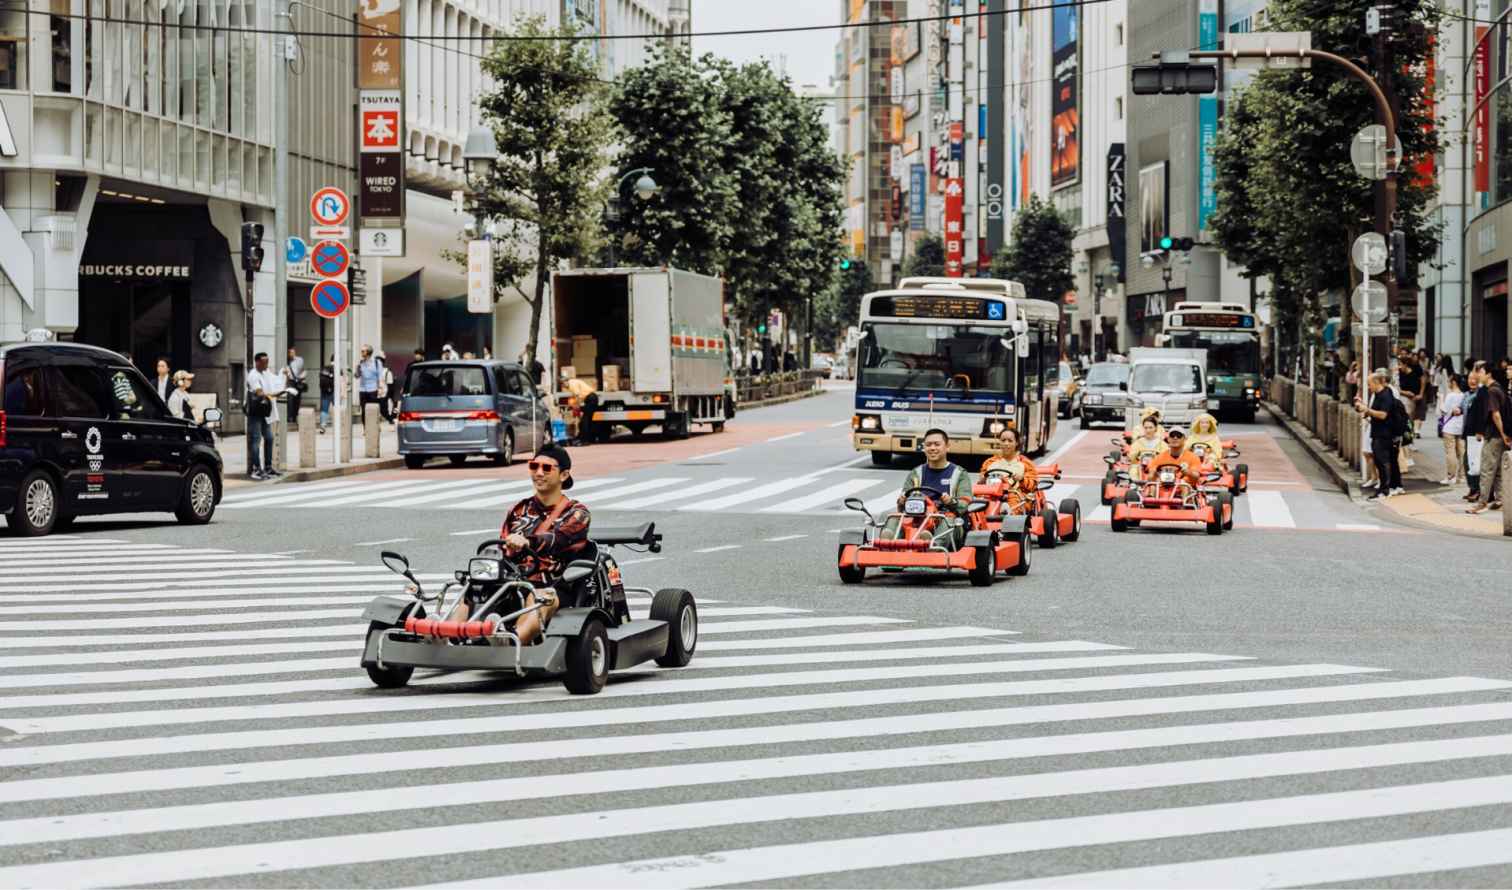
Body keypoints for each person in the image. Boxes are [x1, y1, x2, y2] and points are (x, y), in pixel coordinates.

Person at [445, 443, 591, 645]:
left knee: (539, 597)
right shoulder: (519, 509)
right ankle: (447, 636)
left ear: (564, 475)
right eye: (534, 466)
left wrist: (527, 541)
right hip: (514, 581)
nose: (539, 473)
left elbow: (559, 540)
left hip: (555, 584)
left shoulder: (577, 513)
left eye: (546, 468)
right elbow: (503, 546)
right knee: (473, 589)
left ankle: (511, 641)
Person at [888, 428, 973, 548]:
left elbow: (965, 503)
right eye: (928, 445)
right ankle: (888, 544)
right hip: (918, 518)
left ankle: (933, 546)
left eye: (937, 444)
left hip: (946, 519)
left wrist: (951, 501)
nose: (932, 448)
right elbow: (902, 505)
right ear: (924, 448)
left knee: (948, 520)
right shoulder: (916, 473)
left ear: (947, 447)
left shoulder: (959, 473)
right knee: (893, 518)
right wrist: (902, 501)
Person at [1355, 371, 1404, 498]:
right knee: (1379, 460)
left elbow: (1383, 414)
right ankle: (1384, 488)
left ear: (1376, 383)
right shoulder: (1377, 394)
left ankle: (1385, 489)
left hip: (1385, 433)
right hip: (1377, 432)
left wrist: (1367, 410)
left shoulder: (1386, 395)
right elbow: (1375, 411)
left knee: (1383, 461)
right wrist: (1365, 409)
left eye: (1369, 384)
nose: (1368, 387)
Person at [1469, 361, 1508, 514]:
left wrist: (1503, 433)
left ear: (1488, 374)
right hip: (1499, 435)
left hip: (1494, 435)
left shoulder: (1491, 391)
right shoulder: (1499, 387)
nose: (1478, 375)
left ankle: (1482, 503)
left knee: (1486, 469)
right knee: (1498, 470)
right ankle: (1500, 499)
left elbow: (1496, 414)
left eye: (1480, 372)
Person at [245, 351, 285, 480]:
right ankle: (256, 469)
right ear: (257, 362)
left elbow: (276, 381)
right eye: (264, 362)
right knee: (256, 440)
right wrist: (274, 394)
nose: (266, 364)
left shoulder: (266, 373)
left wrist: (284, 377)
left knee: (269, 438)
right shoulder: (253, 375)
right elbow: (259, 392)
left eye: (267, 361)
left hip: (264, 411)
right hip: (255, 412)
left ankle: (268, 467)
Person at [979, 426, 1037, 515]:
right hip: (990, 495)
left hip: (1013, 495)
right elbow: (980, 484)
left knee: (1010, 507)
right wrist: (982, 480)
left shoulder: (1026, 463)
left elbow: (1033, 486)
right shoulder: (989, 462)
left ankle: (1007, 517)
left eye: (1010, 441)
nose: (1006, 444)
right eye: (1003, 440)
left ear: (1017, 443)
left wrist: (1021, 479)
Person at [1439, 373, 1467, 487]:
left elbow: (1444, 411)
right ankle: (1462, 476)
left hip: (1449, 427)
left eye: (1449, 381)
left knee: (1450, 452)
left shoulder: (1450, 395)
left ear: (1453, 382)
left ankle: (1451, 476)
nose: (1448, 383)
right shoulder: (1464, 395)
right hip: (1461, 427)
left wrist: (1440, 399)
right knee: (1462, 452)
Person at [1462, 363, 1485, 501]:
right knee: (1468, 461)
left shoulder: (1480, 395)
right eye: (1470, 378)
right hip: (1467, 432)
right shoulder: (1466, 395)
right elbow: (1462, 408)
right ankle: (1472, 488)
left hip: (1476, 434)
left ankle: (1477, 490)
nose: (1472, 380)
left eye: (1475, 378)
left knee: (1475, 461)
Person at [562, 369, 600, 444]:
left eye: (563, 384)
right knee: (588, 420)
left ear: (566, 381)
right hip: (591, 399)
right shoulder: (573, 382)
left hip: (591, 399)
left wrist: (577, 407)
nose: (563, 386)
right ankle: (589, 438)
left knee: (584, 421)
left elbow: (577, 396)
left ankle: (585, 440)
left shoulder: (571, 383)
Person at [1398, 350, 1427, 441]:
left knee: (1411, 419)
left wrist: (1421, 394)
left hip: (1414, 398)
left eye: (1400, 364)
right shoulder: (1399, 373)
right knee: (1407, 419)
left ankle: (1409, 439)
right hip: (1405, 398)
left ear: (1405, 364)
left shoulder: (1416, 368)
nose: (1399, 367)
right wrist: (1404, 393)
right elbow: (1396, 388)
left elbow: (1423, 380)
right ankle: (1407, 439)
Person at [355, 345, 384, 422]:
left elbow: (380, 376)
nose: (361, 353)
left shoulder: (377, 363)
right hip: (362, 389)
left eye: (363, 351)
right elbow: (357, 376)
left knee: (373, 410)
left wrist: (381, 388)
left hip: (373, 389)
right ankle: (365, 429)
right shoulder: (361, 363)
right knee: (364, 411)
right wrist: (357, 370)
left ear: (368, 352)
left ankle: (374, 426)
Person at [283, 346, 306, 426]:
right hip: (291, 381)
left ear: (295, 352)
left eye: (292, 352)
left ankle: (296, 415)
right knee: (290, 399)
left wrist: (302, 379)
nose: (291, 354)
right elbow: (285, 373)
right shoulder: (287, 362)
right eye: (290, 353)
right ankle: (290, 417)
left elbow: (303, 369)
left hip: (298, 381)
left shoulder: (300, 360)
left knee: (297, 399)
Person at [318, 358, 335, 434]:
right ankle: (339, 425)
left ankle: (322, 426)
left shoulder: (325, 368)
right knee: (338, 409)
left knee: (324, 410)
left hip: (325, 391)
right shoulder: (338, 369)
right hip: (334, 391)